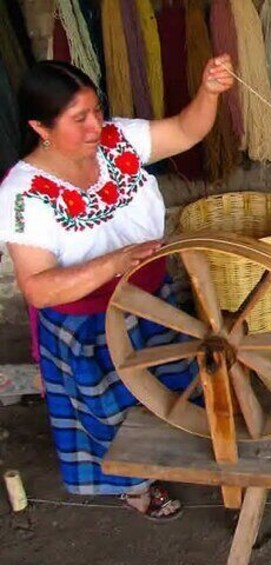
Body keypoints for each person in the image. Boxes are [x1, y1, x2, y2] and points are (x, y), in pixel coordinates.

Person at [0, 57, 235, 520]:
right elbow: (39, 289)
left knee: (169, 387)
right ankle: (136, 486)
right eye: (79, 118)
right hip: (86, 322)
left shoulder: (117, 142)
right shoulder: (23, 195)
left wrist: (209, 91)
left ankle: (175, 454)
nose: (96, 126)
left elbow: (186, 131)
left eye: (97, 111)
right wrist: (113, 261)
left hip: (150, 299)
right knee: (111, 414)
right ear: (40, 127)